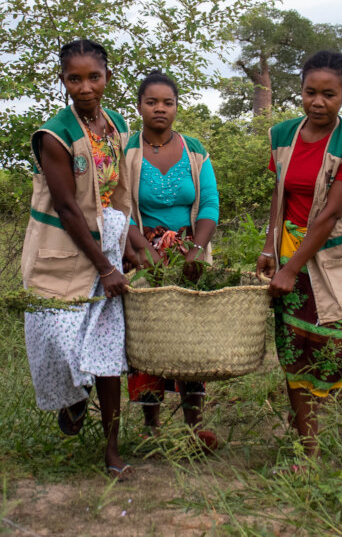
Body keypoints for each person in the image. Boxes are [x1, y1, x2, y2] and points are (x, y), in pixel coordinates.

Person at [21, 38, 140, 479]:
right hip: (66, 248)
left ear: (107, 78)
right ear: (63, 80)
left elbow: (118, 192)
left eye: (94, 77)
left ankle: (112, 448)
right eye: (75, 78)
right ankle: (74, 398)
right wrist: (105, 268)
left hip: (107, 240)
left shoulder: (116, 125)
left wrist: (127, 244)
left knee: (108, 354)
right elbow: (69, 207)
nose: (85, 87)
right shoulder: (55, 135)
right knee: (60, 340)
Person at [255, 50, 342, 457]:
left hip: (333, 262)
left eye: (329, 94)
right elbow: (280, 195)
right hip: (289, 254)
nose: (318, 102)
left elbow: (329, 216)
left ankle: (306, 418)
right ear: (300, 91)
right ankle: (307, 447)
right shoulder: (283, 135)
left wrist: (290, 268)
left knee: (330, 350)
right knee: (292, 349)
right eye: (310, 92)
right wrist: (270, 247)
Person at [122, 70, 220, 447]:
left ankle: (195, 426)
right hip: (141, 256)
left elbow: (209, 203)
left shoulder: (195, 149)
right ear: (139, 106)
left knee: (191, 338)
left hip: (188, 254)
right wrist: (143, 250)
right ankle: (152, 427)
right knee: (148, 337)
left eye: (168, 102)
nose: (160, 109)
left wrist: (196, 250)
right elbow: (122, 206)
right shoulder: (127, 150)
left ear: (177, 107)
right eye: (152, 102)